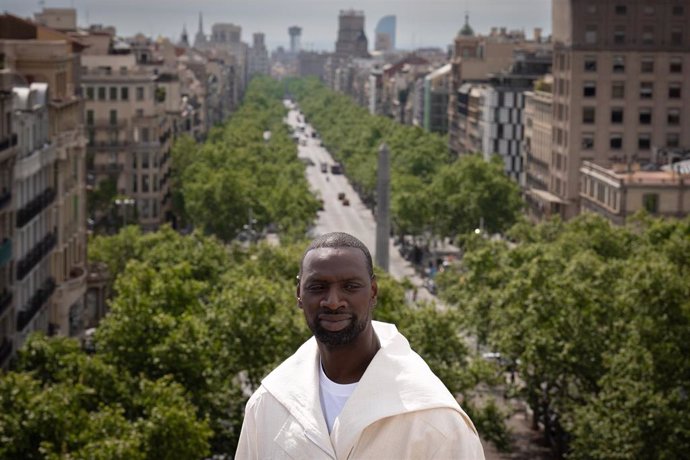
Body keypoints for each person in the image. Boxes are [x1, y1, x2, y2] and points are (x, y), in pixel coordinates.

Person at [236, 232, 484, 459]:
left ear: (373, 292)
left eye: (350, 286)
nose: (333, 302)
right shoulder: (267, 406)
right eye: (318, 287)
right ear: (299, 294)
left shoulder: (436, 421)